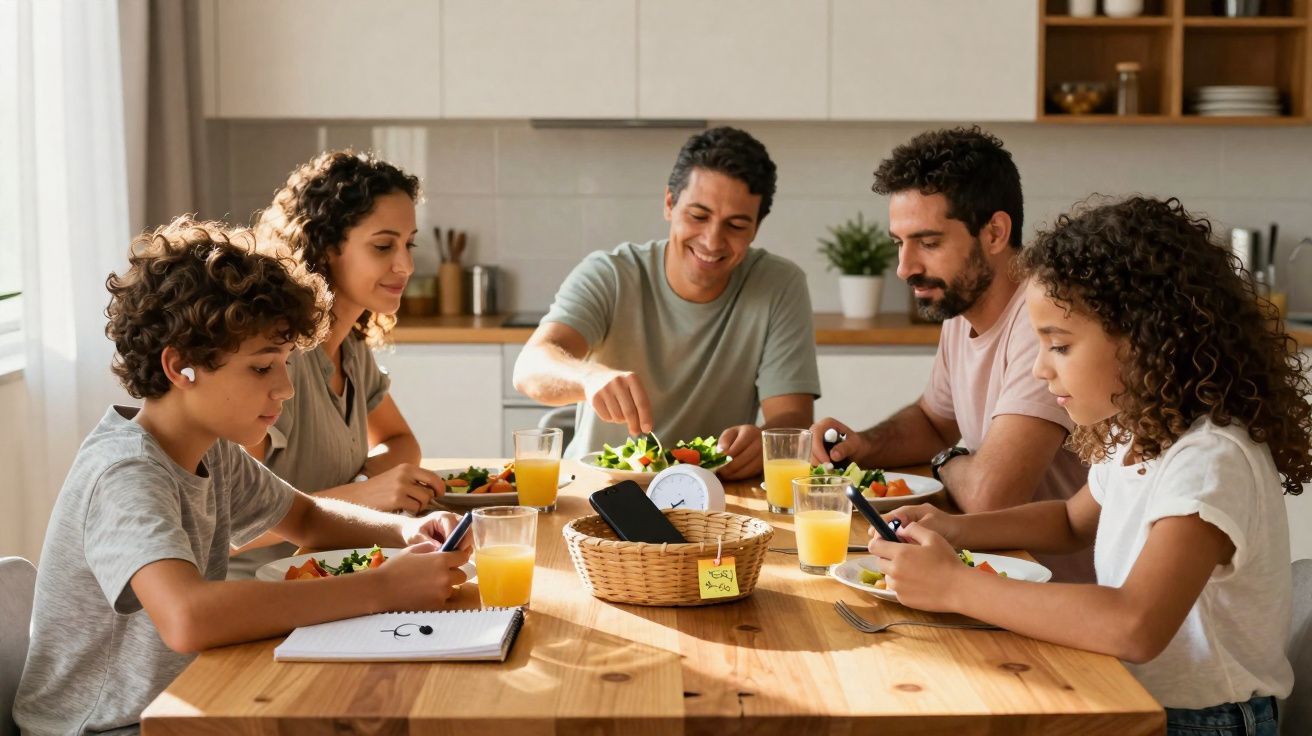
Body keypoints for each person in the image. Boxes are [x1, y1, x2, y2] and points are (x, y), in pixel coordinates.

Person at [14, 219, 470, 736]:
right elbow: (188, 617)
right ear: (180, 367)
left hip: (183, 702)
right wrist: (381, 588)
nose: (285, 388)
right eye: (261, 368)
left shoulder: (212, 451)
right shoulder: (126, 474)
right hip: (105, 728)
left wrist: (405, 533)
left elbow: (308, 517)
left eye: (284, 364)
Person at [871, 197, 1305, 736]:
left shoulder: (1210, 459)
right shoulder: (1137, 430)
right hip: (1130, 694)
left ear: (1146, 340)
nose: (1039, 368)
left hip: (1205, 722)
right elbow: (1071, 521)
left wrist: (954, 585)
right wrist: (954, 528)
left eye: (1058, 345)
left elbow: (1134, 624)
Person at [809, 126, 1091, 581]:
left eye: (929, 242)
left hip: (1052, 590)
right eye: (899, 243)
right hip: (990, 574)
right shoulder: (960, 310)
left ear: (995, 232)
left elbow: (988, 498)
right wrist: (863, 444)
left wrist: (947, 459)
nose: (905, 267)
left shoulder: (1043, 325)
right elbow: (934, 420)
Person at [513, 126, 819, 480]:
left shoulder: (780, 285)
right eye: (698, 216)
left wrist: (762, 440)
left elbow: (793, 421)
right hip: (601, 488)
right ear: (669, 204)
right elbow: (530, 367)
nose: (712, 241)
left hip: (714, 492)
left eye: (736, 225)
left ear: (756, 228)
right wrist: (589, 377)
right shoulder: (610, 274)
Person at [229, 150, 442, 579]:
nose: (406, 265)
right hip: (262, 593)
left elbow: (400, 440)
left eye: (408, 244)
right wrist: (365, 496)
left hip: (332, 578)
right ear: (325, 248)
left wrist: (376, 487)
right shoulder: (277, 358)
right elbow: (231, 525)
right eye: (384, 246)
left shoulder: (352, 348)